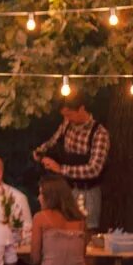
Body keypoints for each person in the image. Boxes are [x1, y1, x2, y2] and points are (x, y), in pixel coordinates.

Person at [33, 92, 111, 229]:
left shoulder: (99, 133)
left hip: (87, 192)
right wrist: (41, 152)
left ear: (81, 109)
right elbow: (52, 141)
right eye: (64, 115)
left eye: (69, 114)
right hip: (66, 190)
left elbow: (94, 169)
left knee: (86, 230)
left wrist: (61, 169)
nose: (67, 118)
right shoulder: (67, 124)